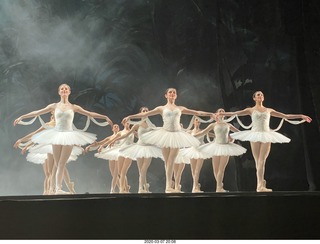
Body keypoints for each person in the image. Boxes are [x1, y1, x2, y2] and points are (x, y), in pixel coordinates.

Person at [13, 83, 113, 194]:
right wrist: (22, 117)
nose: (64, 90)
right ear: (59, 92)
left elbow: (90, 114)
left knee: (61, 163)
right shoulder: (54, 106)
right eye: (62, 89)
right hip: (56, 134)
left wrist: (105, 117)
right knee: (57, 163)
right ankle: (57, 189)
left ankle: (58, 188)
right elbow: (37, 112)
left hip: (69, 135)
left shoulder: (74, 107)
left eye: (66, 89)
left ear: (69, 92)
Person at [122, 88, 215, 193]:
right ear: (166, 95)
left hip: (176, 135)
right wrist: (130, 116)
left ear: (176, 96)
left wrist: (209, 114)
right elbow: (144, 115)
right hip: (165, 135)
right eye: (170, 92)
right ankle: (168, 186)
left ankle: (168, 187)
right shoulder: (161, 108)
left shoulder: (180, 108)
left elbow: (197, 112)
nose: (172, 93)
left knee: (171, 160)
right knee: (167, 162)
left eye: (174, 92)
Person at [218, 91, 312, 192]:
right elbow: (235, 113)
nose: (260, 96)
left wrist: (301, 116)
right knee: (257, 160)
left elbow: (286, 116)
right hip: (255, 134)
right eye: (258, 94)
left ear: (263, 98)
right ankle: (260, 184)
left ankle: (260, 185)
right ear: (254, 98)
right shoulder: (250, 110)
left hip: (266, 135)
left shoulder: (269, 110)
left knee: (262, 160)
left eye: (262, 94)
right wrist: (221, 114)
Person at [107, 107, 163, 193]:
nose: (145, 112)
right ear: (140, 113)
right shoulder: (137, 125)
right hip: (139, 147)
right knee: (141, 170)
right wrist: (113, 140)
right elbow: (126, 135)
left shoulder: (151, 126)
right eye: (143, 111)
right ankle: (143, 188)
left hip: (148, 148)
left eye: (146, 111)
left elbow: (156, 136)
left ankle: (143, 187)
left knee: (144, 169)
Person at [195, 108, 247, 192]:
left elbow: (238, 133)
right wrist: (192, 136)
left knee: (221, 169)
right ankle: (219, 185)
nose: (222, 112)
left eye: (223, 111)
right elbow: (203, 132)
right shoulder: (213, 125)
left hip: (226, 147)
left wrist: (235, 137)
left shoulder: (228, 125)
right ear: (216, 114)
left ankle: (219, 187)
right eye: (220, 111)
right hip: (216, 147)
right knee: (216, 169)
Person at [85, 124, 121, 193]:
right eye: (114, 126)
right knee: (113, 173)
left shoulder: (120, 135)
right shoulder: (109, 138)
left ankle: (112, 189)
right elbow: (99, 143)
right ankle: (121, 188)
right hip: (111, 153)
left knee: (116, 173)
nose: (116, 127)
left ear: (119, 129)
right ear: (112, 129)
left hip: (118, 153)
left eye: (117, 126)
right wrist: (90, 146)